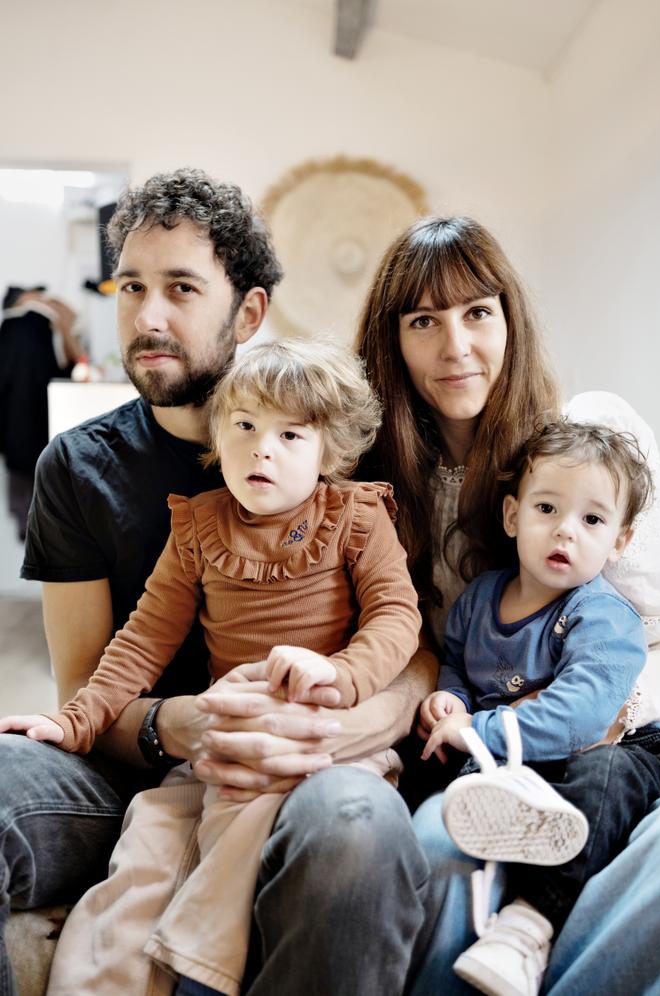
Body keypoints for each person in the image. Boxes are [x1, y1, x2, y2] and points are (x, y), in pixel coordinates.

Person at [2, 169, 436, 996]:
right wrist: (182, 729)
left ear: (248, 311)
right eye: (131, 285)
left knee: (355, 826)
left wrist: (339, 722)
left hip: (319, 738)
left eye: (181, 288)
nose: (148, 315)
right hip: (146, 763)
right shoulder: (92, 474)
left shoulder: (340, 471)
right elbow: (101, 674)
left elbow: (410, 631)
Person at [355, 215, 660, 994]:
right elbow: (436, 654)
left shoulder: (586, 446)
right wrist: (449, 715)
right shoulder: (372, 483)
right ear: (394, 341)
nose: (455, 345)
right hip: (470, 735)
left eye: (477, 312)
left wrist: (598, 728)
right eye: (424, 320)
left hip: (609, 721)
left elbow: (644, 627)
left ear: (508, 320)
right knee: (438, 842)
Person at [419, 419, 660, 996]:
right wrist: (448, 701)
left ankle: (529, 927)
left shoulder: (602, 617)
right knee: (442, 794)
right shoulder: (480, 597)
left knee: (601, 776)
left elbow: (582, 716)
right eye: (547, 509)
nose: (566, 533)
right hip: (510, 759)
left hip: (618, 754)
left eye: (593, 520)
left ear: (620, 541)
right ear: (512, 517)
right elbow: (457, 663)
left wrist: (475, 728)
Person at [0, 287, 81, 538]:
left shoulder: (10, 331)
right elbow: (73, 371)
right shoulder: (41, 326)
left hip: (16, 435)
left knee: (24, 482)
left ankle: (30, 527)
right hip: (43, 428)